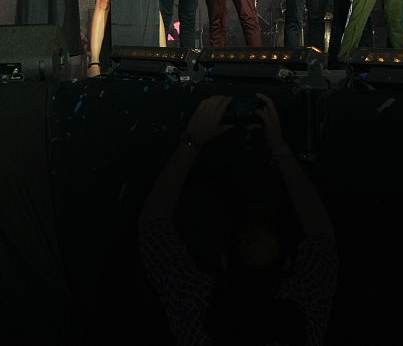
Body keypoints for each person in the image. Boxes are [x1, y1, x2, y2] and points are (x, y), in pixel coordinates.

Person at [140, 95, 337, 346]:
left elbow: (152, 223)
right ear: (287, 262)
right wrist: (280, 146)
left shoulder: (194, 305)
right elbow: (320, 229)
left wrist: (192, 140)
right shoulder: (306, 307)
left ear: (223, 260)